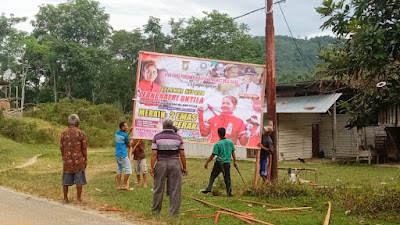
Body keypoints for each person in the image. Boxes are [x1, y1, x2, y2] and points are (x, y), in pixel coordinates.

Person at [151, 118, 187, 216]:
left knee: (158, 187)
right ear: (172, 126)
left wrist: (152, 167)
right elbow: (182, 155)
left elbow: (154, 154)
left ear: (163, 126)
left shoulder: (157, 137)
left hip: (161, 163)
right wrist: (184, 167)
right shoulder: (178, 138)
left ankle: (155, 210)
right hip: (175, 163)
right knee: (175, 188)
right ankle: (173, 213)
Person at [60, 114, 88, 204]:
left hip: (67, 160)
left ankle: (65, 198)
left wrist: (64, 157)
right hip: (78, 160)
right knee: (79, 179)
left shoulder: (64, 134)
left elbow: (62, 147)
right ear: (77, 122)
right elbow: (84, 148)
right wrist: (85, 159)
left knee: (66, 179)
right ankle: (79, 199)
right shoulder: (81, 133)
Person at [201, 127, 237, 197]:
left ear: (218, 134)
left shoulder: (218, 144)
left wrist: (207, 162)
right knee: (227, 178)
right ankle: (229, 193)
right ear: (225, 133)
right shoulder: (230, 142)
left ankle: (209, 188)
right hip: (227, 163)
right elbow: (233, 153)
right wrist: (235, 162)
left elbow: (213, 155)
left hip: (219, 163)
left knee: (213, 176)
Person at [115, 122, 133, 190]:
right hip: (123, 155)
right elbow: (129, 145)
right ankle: (125, 185)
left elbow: (124, 137)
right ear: (123, 127)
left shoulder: (117, 132)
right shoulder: (125, 136)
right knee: (128, 170)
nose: (127, 127)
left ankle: (119, 186)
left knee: (119, 170)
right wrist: (131, 143)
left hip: (117, 155)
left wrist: (130, 131)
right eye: (126, 126)